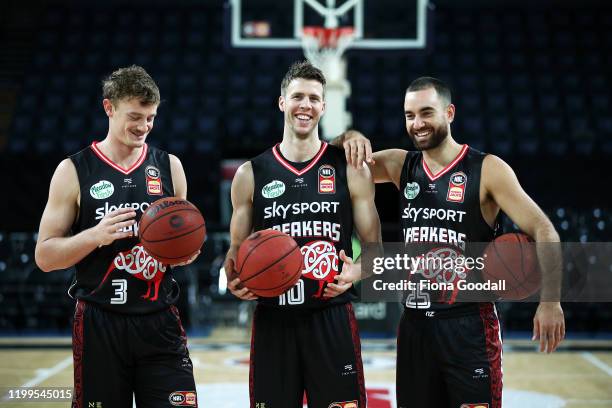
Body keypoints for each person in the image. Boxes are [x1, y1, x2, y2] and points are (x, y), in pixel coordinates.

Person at [337, 77, 565, 408]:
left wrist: (550, 302)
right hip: (414, 325)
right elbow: (338, 166)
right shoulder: (403, 165)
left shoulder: (487, 169)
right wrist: (353, 140)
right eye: (409, 115)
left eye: (426, 113)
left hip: (468, 325)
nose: (417, 124)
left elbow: (544, 229)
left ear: (450, 112)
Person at [35, 65, 199, 408]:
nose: (144, 127)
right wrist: (95, 235)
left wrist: (185, 252)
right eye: (135, 116)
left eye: (151, 118)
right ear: (109, 108)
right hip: (99, 321)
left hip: (160, 319)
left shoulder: (170, 166)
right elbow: (45, 256)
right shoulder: (73, 170)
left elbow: (185, 240)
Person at [224, 60, 382, 408]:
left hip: (332, 317)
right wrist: (234, 278)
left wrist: (358, 270)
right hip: (273, 320)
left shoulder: (349, 169)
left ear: (324, 106)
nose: (305, 105)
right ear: (282, 102)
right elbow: (234, 253)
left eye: (314, 98)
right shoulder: (251, 174)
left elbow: (376, 249)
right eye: (297, 96)